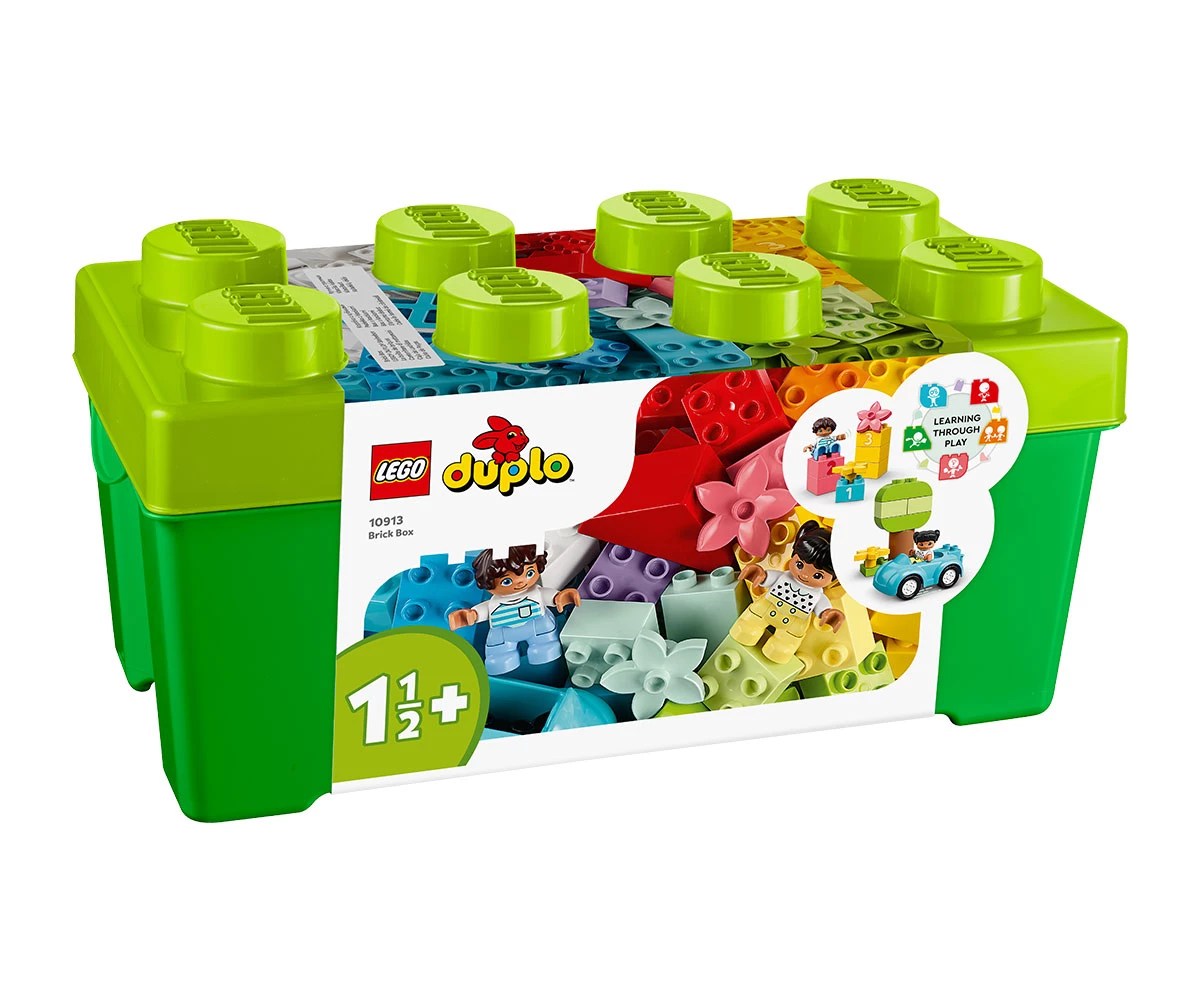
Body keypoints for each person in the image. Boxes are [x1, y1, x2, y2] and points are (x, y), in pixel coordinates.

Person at [448, 545, 582, 675]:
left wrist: (559, 597)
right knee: (499, 657)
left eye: (529, 573)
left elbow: (550, 596)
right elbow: (481, 611)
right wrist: (471, 615)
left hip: (538, 626)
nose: (520, 582)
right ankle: (501, 657)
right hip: (503, 633)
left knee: (545, 648)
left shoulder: (536, 592)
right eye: (506, 581)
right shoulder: (493, 603)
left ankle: (544, 647)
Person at [732, 521, 845, 664]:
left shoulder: (818, 596)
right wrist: (760, 575)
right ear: (793, 555)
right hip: (767, 607)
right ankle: (746, 631)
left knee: (783, 646)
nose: (805, 575)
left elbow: (823, 608)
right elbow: (768, 577)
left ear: (833, 578)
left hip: (794, 623)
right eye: (799, 564)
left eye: (818, 575)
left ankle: (779, 650)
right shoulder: (784, 577)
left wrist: (827, 614)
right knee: (748, 626)